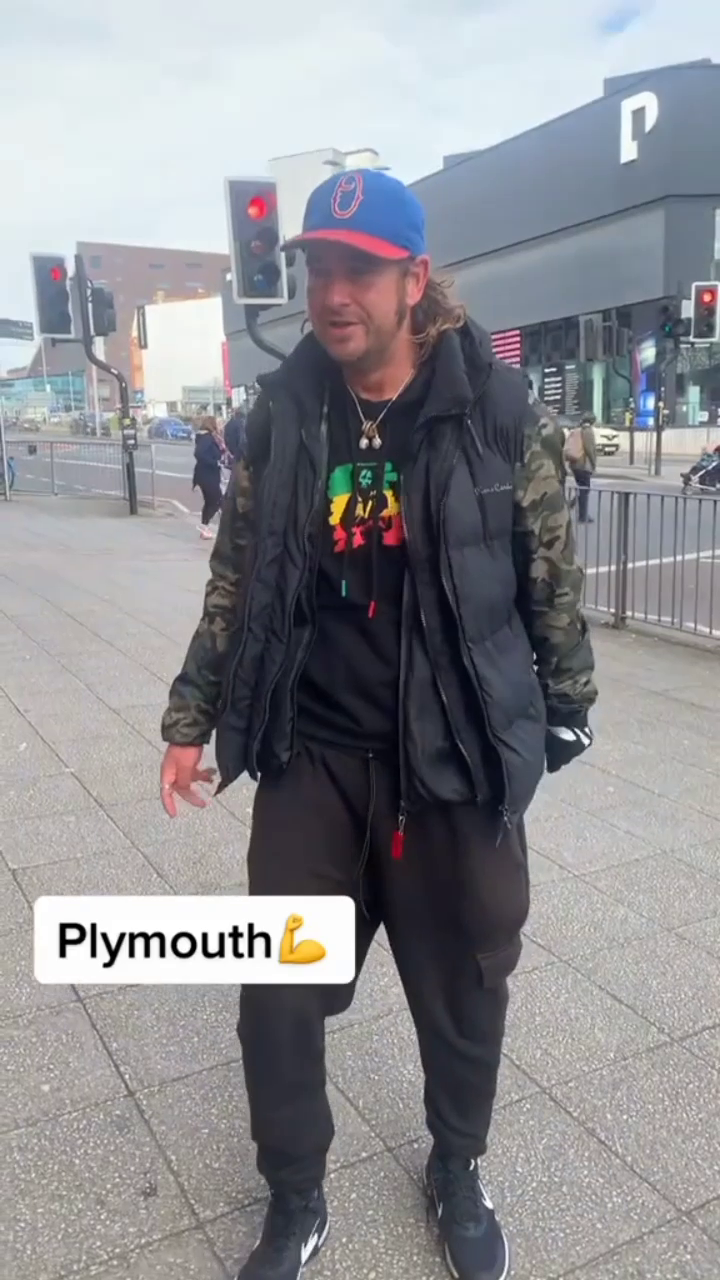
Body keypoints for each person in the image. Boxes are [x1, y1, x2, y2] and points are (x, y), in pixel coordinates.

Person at [159, 168, 597, 1280]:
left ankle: (457, 1165)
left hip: (449, 756)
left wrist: (566, 707)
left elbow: (548, 571)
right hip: (314, 756)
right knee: (277, 994)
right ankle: (295, 1194)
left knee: (465, 987)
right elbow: (238, 574)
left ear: (414, 279)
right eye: (319, 268)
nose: (333, 292)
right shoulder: (285, 413)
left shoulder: (494, 411)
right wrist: (191, 713)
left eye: (359, 269)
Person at [192, 416, 224, 539]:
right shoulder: (207, 438)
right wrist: (214, 462)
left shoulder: (208, 437)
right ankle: (204, 526)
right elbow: (199, 453)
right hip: (207, 475)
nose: (220, 426)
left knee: (211, 502)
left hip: (206, 475)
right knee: (217, 500)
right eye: (218, 423)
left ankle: (205, 528)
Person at [564, 411, 597, 524]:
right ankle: (582, 515)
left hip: (575, 464)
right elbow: (589, 449)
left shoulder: (577, 430)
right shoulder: (587, 431)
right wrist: (593, 463)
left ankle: (571, 505)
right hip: (583, 464)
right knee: (584, 490)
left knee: (581, 488)